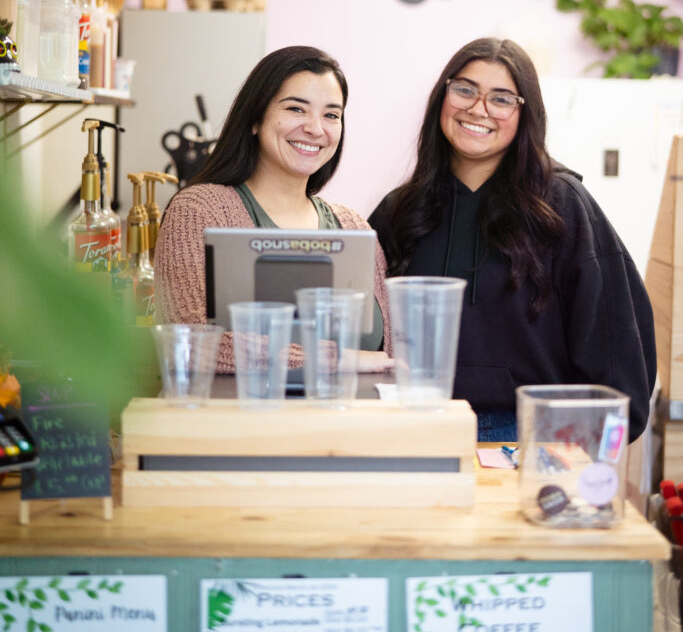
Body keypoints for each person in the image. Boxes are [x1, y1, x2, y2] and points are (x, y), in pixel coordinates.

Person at [369, 37, 656, 442]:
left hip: (529, 437)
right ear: (442, 96)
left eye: (502, 98)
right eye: (465, 89)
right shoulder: (399, 210)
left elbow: (613, 335)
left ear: (526, 114)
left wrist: (589, 442)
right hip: (413, 427)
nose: (478, 108)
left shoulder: (561, 205)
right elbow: (364, 335)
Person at [155, 45, 392, 374]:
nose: (315, 128)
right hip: (244, 425)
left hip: (357, 423)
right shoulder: (199, 211)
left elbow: (388, 353)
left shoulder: (354, 227)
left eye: (331, 115)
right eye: (296, 109)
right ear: (255, 118)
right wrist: (335, 358)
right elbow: (191, 342)